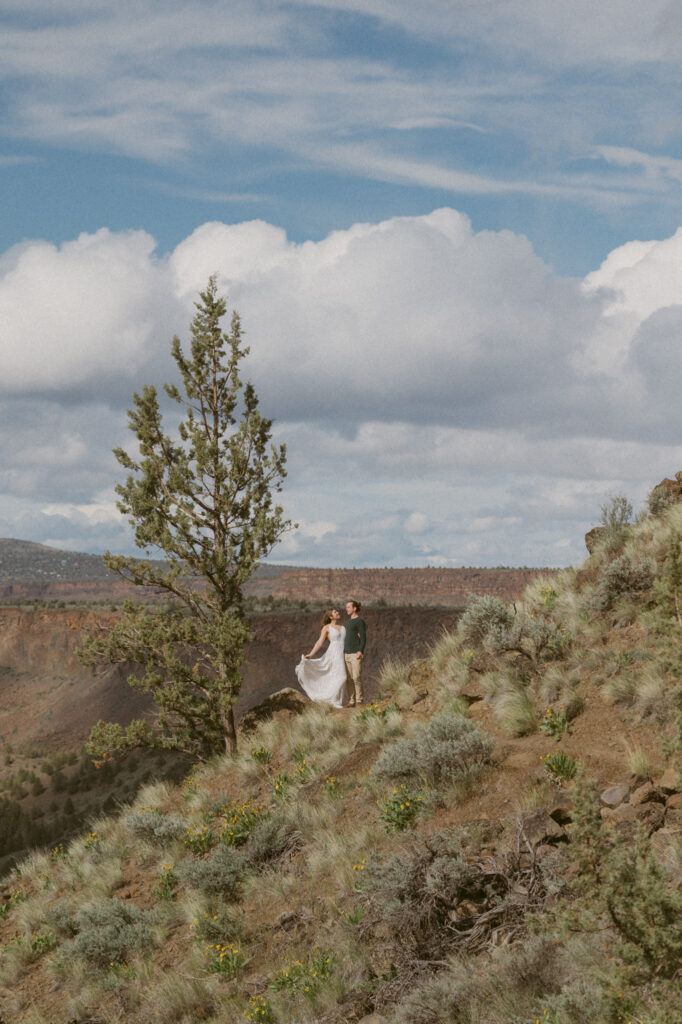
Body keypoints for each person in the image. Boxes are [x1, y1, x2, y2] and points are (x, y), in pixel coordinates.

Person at [295, 608, 349, 708]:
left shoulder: (343, 627)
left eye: (337, 611)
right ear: (330, 616)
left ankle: (336, 700)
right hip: (333, 654)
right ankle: (331, 700)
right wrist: (311, 654)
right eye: (335, 612)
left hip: (344, 654)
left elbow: (348, 640)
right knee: (342, 677)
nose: (338, 613)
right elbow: (319, 642)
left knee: (337, 677)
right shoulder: (326, 628)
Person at [344, 599, 366, 707]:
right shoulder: (348, 622)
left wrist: (360, 650)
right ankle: (351, 701)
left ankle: (359, 701)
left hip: (355, 653)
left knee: (356, 677)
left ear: (354, 608)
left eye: (348, 607)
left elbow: (363, 637)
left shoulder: (359, 621)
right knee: (348, 679)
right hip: (346, 653)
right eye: (346, 607)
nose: (346, 609)